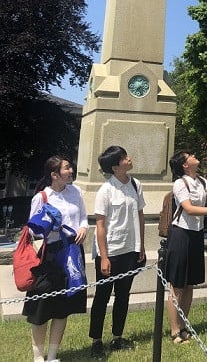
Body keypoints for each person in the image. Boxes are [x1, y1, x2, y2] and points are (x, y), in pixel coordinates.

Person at [22, 155, 88, 362]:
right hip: (50, 255)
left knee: (62, 308)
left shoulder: (75, 192)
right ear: (54, 174)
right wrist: (51, 227)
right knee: (42, 307)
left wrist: (84, 227)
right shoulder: (42, 197)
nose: (71, 170)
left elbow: (83, 216)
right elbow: (33, 232)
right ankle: (38, 357)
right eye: (67, 168)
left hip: (73, 251)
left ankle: (52, 356)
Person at [165, 150, 207, 344]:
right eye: (190, 155)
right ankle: (175, 330)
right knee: (177, 285)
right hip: (181, 234)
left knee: (190, 283)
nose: (194, 156)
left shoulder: (200, 180)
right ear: (185, 165)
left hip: (195, 235)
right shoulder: (179, 183)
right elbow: (189, 208)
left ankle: (184, 326)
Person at [89, 146, 146, 358]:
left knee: (123, 295)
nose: (129, 159)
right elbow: (100, 225)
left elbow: (139, 215)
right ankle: (96, 340)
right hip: (109, 251)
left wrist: (140, 246)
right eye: (124, 158)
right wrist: (103, 257)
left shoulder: (135, 184)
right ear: (115, 167)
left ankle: (117, 337)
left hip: (130, 250)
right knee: (102, 296)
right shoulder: (106, 190)